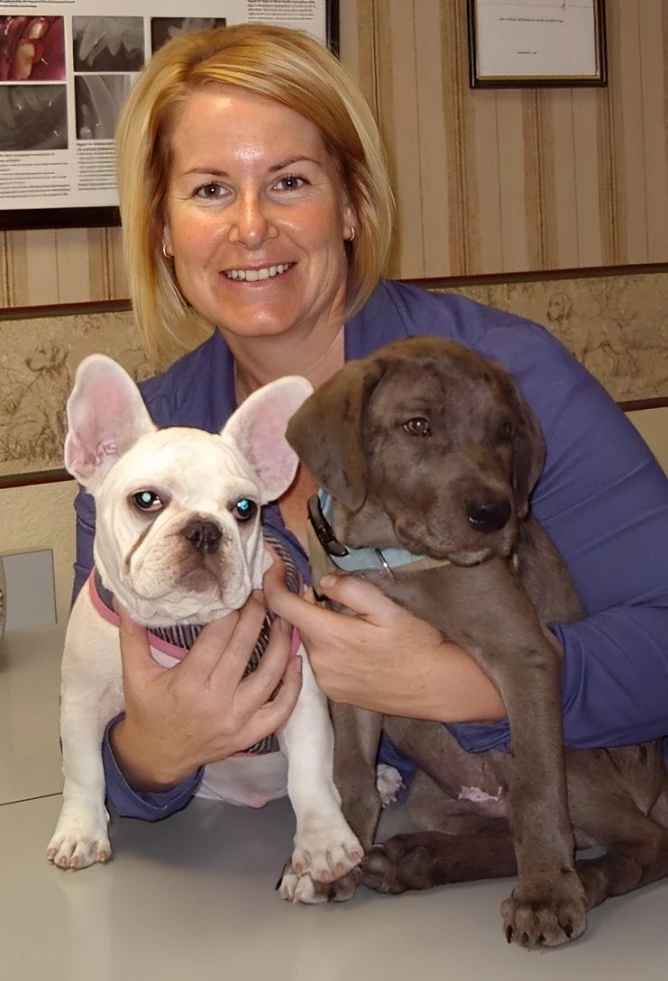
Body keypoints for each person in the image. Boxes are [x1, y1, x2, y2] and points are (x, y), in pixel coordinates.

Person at [71, 23, 668, 821]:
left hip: (576, 843)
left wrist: (458, 683)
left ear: (351, 206)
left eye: (289, 182)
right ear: (161, 231)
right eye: (210, 189)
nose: (251, 226)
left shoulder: (505, 381)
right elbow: (104, 727)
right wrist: (152, 757)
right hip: (309, 883)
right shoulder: (144, 458)